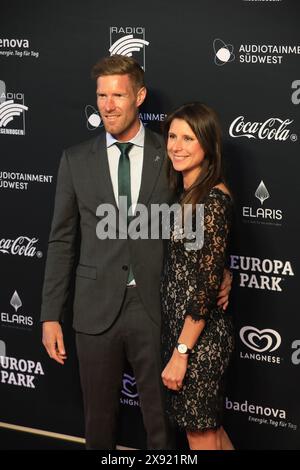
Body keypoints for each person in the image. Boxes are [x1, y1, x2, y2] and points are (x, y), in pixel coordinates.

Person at [40, 55, 232, 450]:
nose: (108, 105)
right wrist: (49, 316)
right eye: (101, 95)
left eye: (118, 95)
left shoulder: (174, 155)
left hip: (156, 308)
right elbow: (61, 241)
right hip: (94, 311)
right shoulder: (75, 160)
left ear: (139, 96)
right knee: (98, 424)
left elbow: (203, 216)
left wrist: (224, 272)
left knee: (161, 425)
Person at [161, 102, 235, 450]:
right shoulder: (189, 195)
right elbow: (203, 264)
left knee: (201, 435)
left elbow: (206, 288)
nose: (176, 145)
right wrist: (224, 270)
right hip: (189, 337)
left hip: (198, 342)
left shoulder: (211, 202)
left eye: (188, 138)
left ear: (207, 145)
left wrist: (181, 351)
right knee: (211, 433)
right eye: (172, 136)